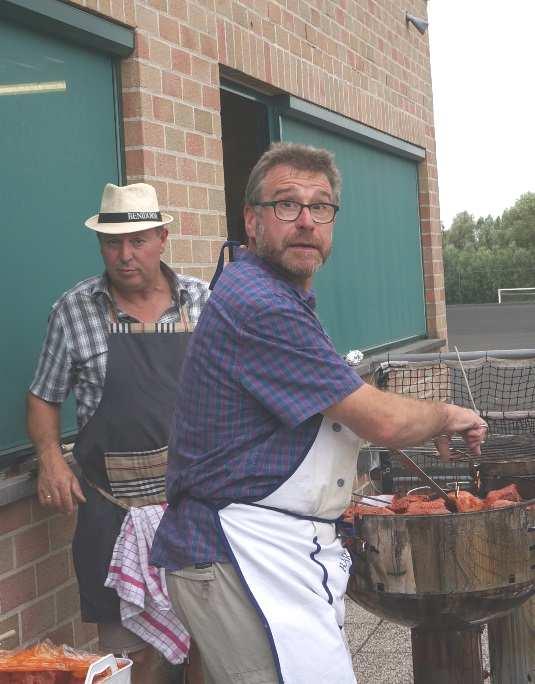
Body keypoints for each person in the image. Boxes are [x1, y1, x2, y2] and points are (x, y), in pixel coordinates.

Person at [151, 143, 487, 684]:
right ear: (252, 221)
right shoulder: (258, 305)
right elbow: (379, 421)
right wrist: (448, 415)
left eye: (321, 206)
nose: (305, 221)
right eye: (286, 204)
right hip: (236, 549)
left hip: (268, 546)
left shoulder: (277, 296)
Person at [27, 183, 209, 684]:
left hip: (194, 507)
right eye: (112, 243)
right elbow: (44, 396)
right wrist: (50, 456)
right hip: (113, 515)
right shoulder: (74, 310)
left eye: (138, 240)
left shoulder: (201, 300)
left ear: (162, 237)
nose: (124, 256)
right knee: (131, 661)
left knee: (206, 648)